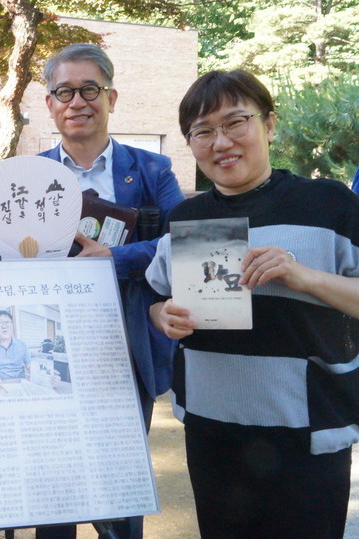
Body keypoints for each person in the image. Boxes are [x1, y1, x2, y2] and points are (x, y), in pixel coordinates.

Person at [147, 69, 359, 538]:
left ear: (269, 124)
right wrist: (164, 316)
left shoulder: (329, 204)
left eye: (235, 122)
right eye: (203, 131)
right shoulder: (187, 218)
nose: (220, 142)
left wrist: (305, 276)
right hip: (212, 430)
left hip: (306, 432)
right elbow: (158, 299)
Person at [36, 43, 184, 539]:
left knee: (120, 483)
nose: (77, 102)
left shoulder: (153, 170)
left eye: (89, 89)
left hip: (125, 342)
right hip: (50, 345)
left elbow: (181, 242)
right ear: (49, 103)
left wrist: (113, 259)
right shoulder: (29, 177)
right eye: (64, 92)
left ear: (111, 97)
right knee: (54, 485)